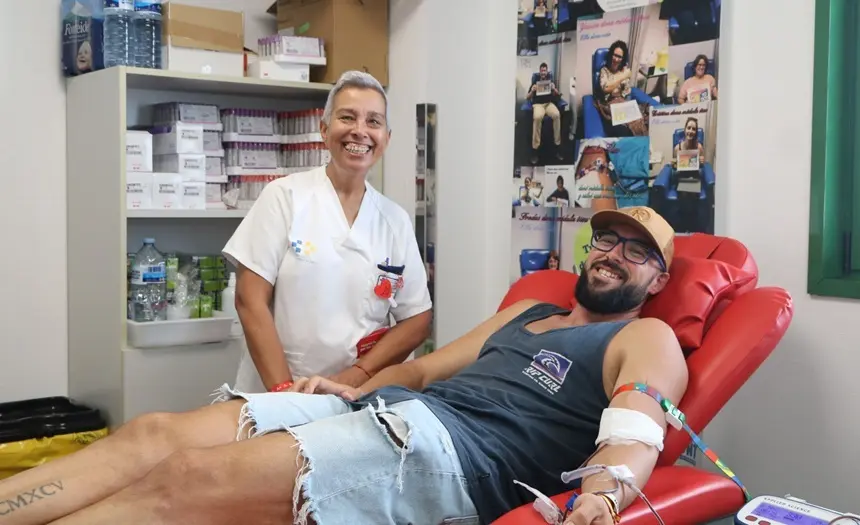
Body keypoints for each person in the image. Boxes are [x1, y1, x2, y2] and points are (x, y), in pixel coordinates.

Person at [0, 206, 688, 525]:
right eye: (607, 240)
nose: (613, 255)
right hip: (391, 409)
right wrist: (351, 385)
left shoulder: (645, 334)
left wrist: (606, 494)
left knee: (188, 478)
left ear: (658, 280)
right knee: (156, 434)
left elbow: (635, 427)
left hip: (451, 451)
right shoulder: (529, 311)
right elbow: (421, 372)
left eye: (637, 252)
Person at [223, 70, 432, 394]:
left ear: (386, 138)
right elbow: (249, 300)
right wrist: (286, 394)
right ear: (324, 129)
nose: (360, 131)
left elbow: (417, 318)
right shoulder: (285, 197)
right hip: (276, 390)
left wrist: (356, 376)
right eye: (347, 117)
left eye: (373, 121)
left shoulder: (395, 220)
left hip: (354, 395)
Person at [594, 40, 649, 137]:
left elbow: (627, 91)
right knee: (624, 126)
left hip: (623, 102)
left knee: (640, 120)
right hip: (609, 104)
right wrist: (622, 76)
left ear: (623, 59)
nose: (616, 59)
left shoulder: (623, 71)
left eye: (619, 57)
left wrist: (622, 80)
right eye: (614, 55)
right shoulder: (604, 71)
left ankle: (643, 144)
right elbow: (606, 88)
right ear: (611, 55)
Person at [527, 63, 564, 164]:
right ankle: (535, 149)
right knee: (537, 117)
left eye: (545, 70)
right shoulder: (535, 82)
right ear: (539, 72)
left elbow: (558, 95)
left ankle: (557, 145)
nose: (543, 72)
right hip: (538, 105)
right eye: (542, 70)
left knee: (557, 115)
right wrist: (532, 91)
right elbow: (527, 97)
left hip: (548, 104)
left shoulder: (550, 81)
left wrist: (554, 89)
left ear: (547, 72)